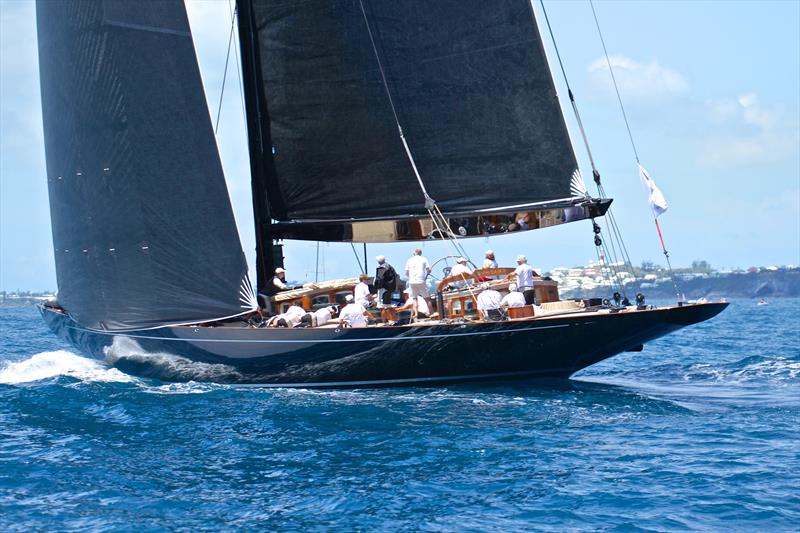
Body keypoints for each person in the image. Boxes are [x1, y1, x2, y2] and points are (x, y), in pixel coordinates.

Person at [404, 248, 431, 317]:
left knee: (414, 298)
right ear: (421, 253)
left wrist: (410, 277)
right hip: (421, 280)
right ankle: (432, 313)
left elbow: (406, 272)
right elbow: (428, 269)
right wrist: (429, 271)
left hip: (412, 281)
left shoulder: (409, 260)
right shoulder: (424, 259)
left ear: (414, 253)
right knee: (427, 298)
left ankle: (416, 314)